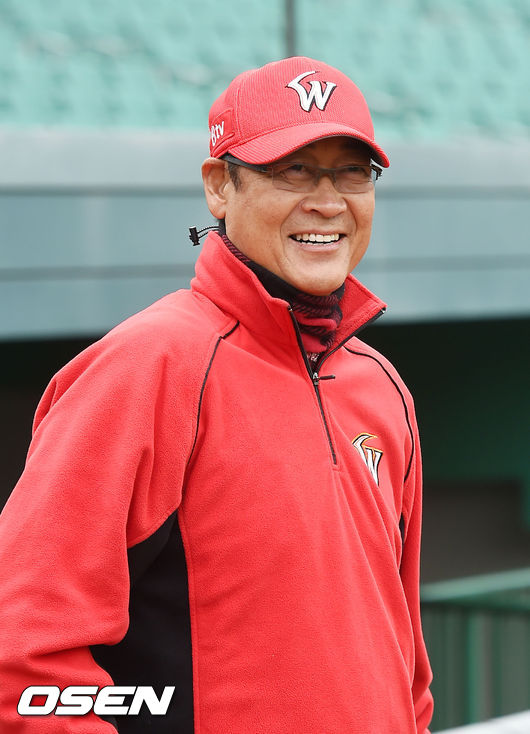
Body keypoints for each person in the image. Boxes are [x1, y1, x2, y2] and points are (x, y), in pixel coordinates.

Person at [0, 56, 433, 733]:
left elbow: (407, 670)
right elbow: (21, 660)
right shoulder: (146, 365)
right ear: (218, 187)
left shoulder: (382, 386)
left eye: (352, 172)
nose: (328, 201)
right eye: (293, 170)